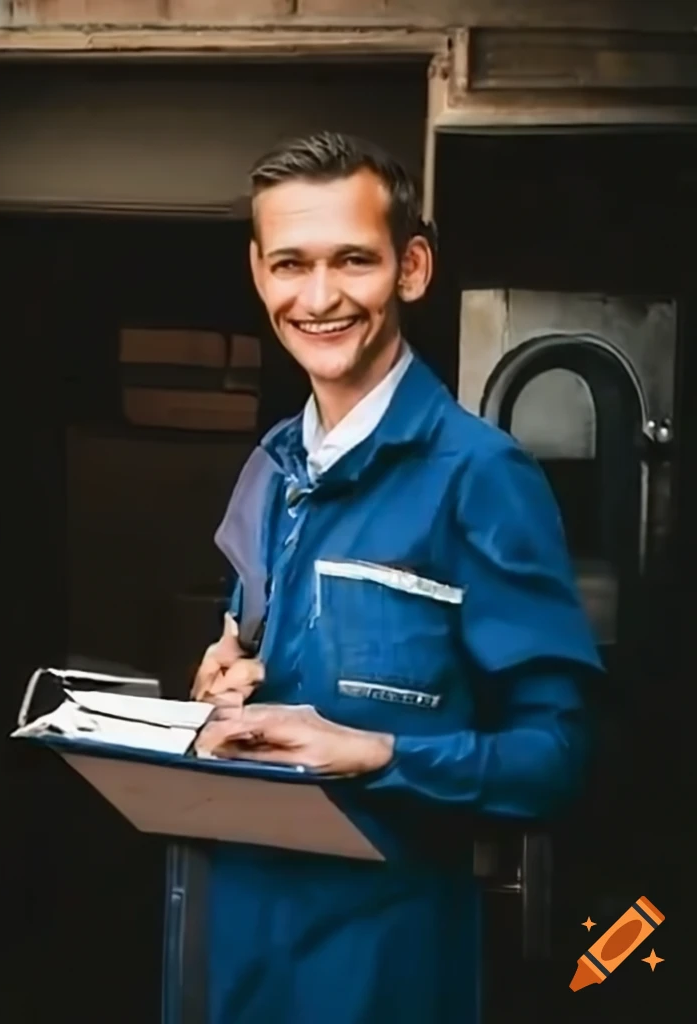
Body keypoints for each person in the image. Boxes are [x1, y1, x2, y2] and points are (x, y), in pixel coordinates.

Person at [188, 132, 604, 1024]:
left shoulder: (479, 476)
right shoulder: (271, 464)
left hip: (386, 961)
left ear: (412, 268)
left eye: (354, 261)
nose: (321, 296)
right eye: (291, 264)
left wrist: (376, 752)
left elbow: (556, 760)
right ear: (259, 275)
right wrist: (223, 687)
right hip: (234, 941)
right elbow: (252, 652)